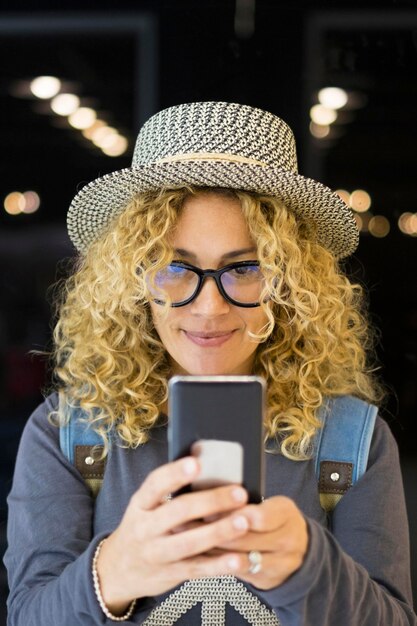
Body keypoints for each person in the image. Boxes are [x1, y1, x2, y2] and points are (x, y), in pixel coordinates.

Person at [4, 101, 416, 626]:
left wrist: (311, 567)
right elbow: (28, 616)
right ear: (134, 281)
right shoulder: (68, 434)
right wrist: (115, 572)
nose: (209, 306)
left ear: (289, 282)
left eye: (244, 268)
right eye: (176, 267)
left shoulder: (352, 440)